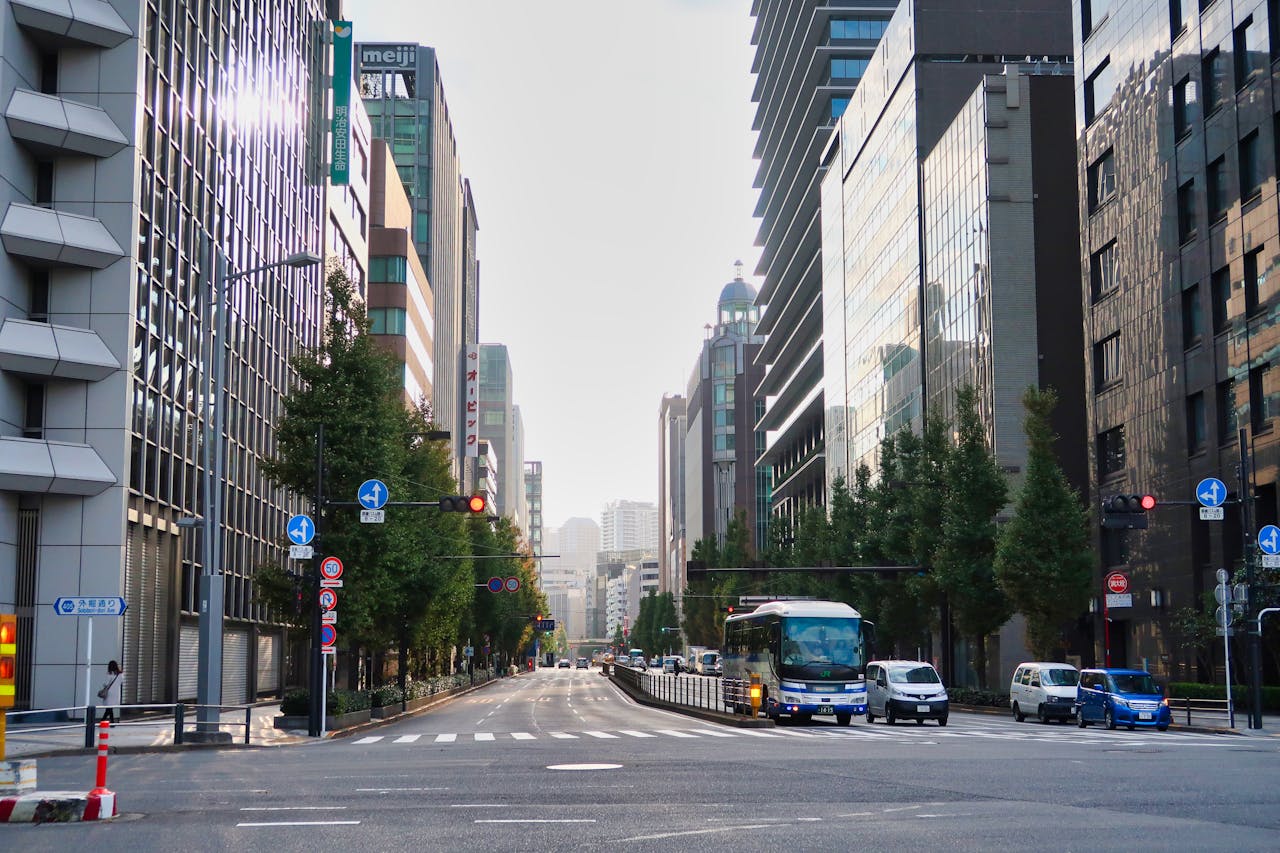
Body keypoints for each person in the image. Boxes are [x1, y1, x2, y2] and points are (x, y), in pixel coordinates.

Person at [97, 660, 122, 725]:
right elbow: (121, 682)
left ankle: (104, 721)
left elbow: (106, 683)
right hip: (116, 693)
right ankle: (111, 722)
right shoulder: (120, 674)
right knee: (110, 708)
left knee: (109, 707)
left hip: (109, 693)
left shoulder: (109, 673)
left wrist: (103, 686)